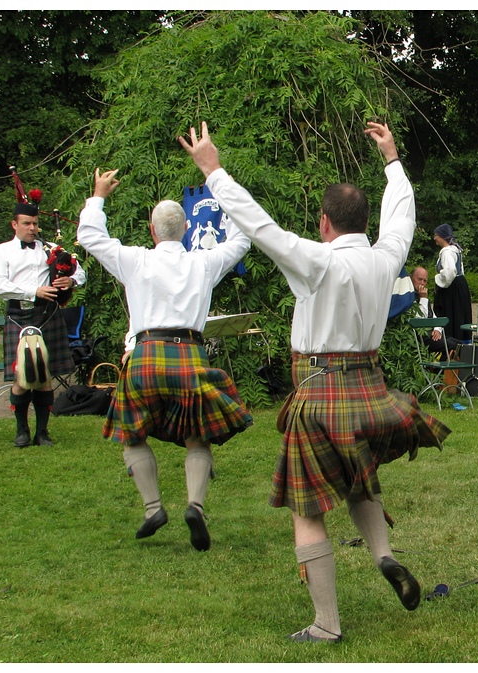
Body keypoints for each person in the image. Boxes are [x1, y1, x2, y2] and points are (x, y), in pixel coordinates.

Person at [180, 120, 451, 643]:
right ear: (362, 222)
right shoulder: (385, 256)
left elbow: (260, 227)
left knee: (307, 506)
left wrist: (212, 170)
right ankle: (386, 557)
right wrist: (392, 159)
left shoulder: (316, 261)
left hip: (321, 391)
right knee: (357, 481)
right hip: (370, 387)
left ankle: (327, 624)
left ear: (324, 222)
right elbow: (403, 214)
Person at [77, 168, 253, 552]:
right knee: (197, 436)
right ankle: (195, 505)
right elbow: (242, 240)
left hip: (144, 358)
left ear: (152, 231)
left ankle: (154, 508)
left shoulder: (134, 260)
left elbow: (89, 236)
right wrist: (225, 195)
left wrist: (99, 195)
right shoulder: (203, 262)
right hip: (189, 356)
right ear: (188, 229)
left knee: (131, 434)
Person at [0, 199, 86, 447]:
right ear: (14, 224)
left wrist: (70, 282)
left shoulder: (51, 248)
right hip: (18, 315)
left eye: (35, 223)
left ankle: (42, 432)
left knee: (45, 377)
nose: (32, 228)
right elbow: (0, 287)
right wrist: (34, 292)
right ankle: (22, 430)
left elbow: (80, 272)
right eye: (26, 223)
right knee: (22, 376)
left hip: (48, 316)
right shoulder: (1, 252)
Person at [432, 223, 473, 342]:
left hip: (451, 289)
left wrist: (440, 280)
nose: (434, 238)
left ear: (442, 236)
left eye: (436, 235)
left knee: (450, 314)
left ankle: (451, 342)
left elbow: (450, 272)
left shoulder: (447, 252)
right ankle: (461, 341)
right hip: (459, 286)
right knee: (459, 314)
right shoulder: (455, 250)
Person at [411, 265, 459, 359]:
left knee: (458, 343)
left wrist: (437, 329)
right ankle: (439, 370)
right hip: (419, 337)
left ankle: (440, 370)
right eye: (419, 279)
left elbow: (433, 316)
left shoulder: (421, 295)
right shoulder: (408, 297)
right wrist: (423, 299)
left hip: (430, 334)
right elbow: (420, 321)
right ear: (411, 278)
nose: (422, 283)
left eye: (425, 281)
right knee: (453, 345)